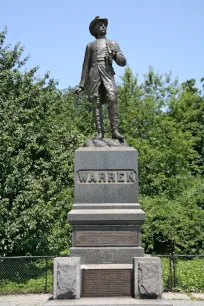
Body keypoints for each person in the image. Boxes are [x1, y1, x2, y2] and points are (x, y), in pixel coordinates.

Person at [74, 16, 126, 140]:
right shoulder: (90, 46)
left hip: (107, 72)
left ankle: (115, 131)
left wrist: (116, 54)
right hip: (94, 73)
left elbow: (122, 62)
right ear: (94, 29)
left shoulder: (112, 43)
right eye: (100, 25)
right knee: (95, 102)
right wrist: (81, 85)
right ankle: (100, 132)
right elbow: (85, 66)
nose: (103, 26)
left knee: (112, 97)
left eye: (104, 25)